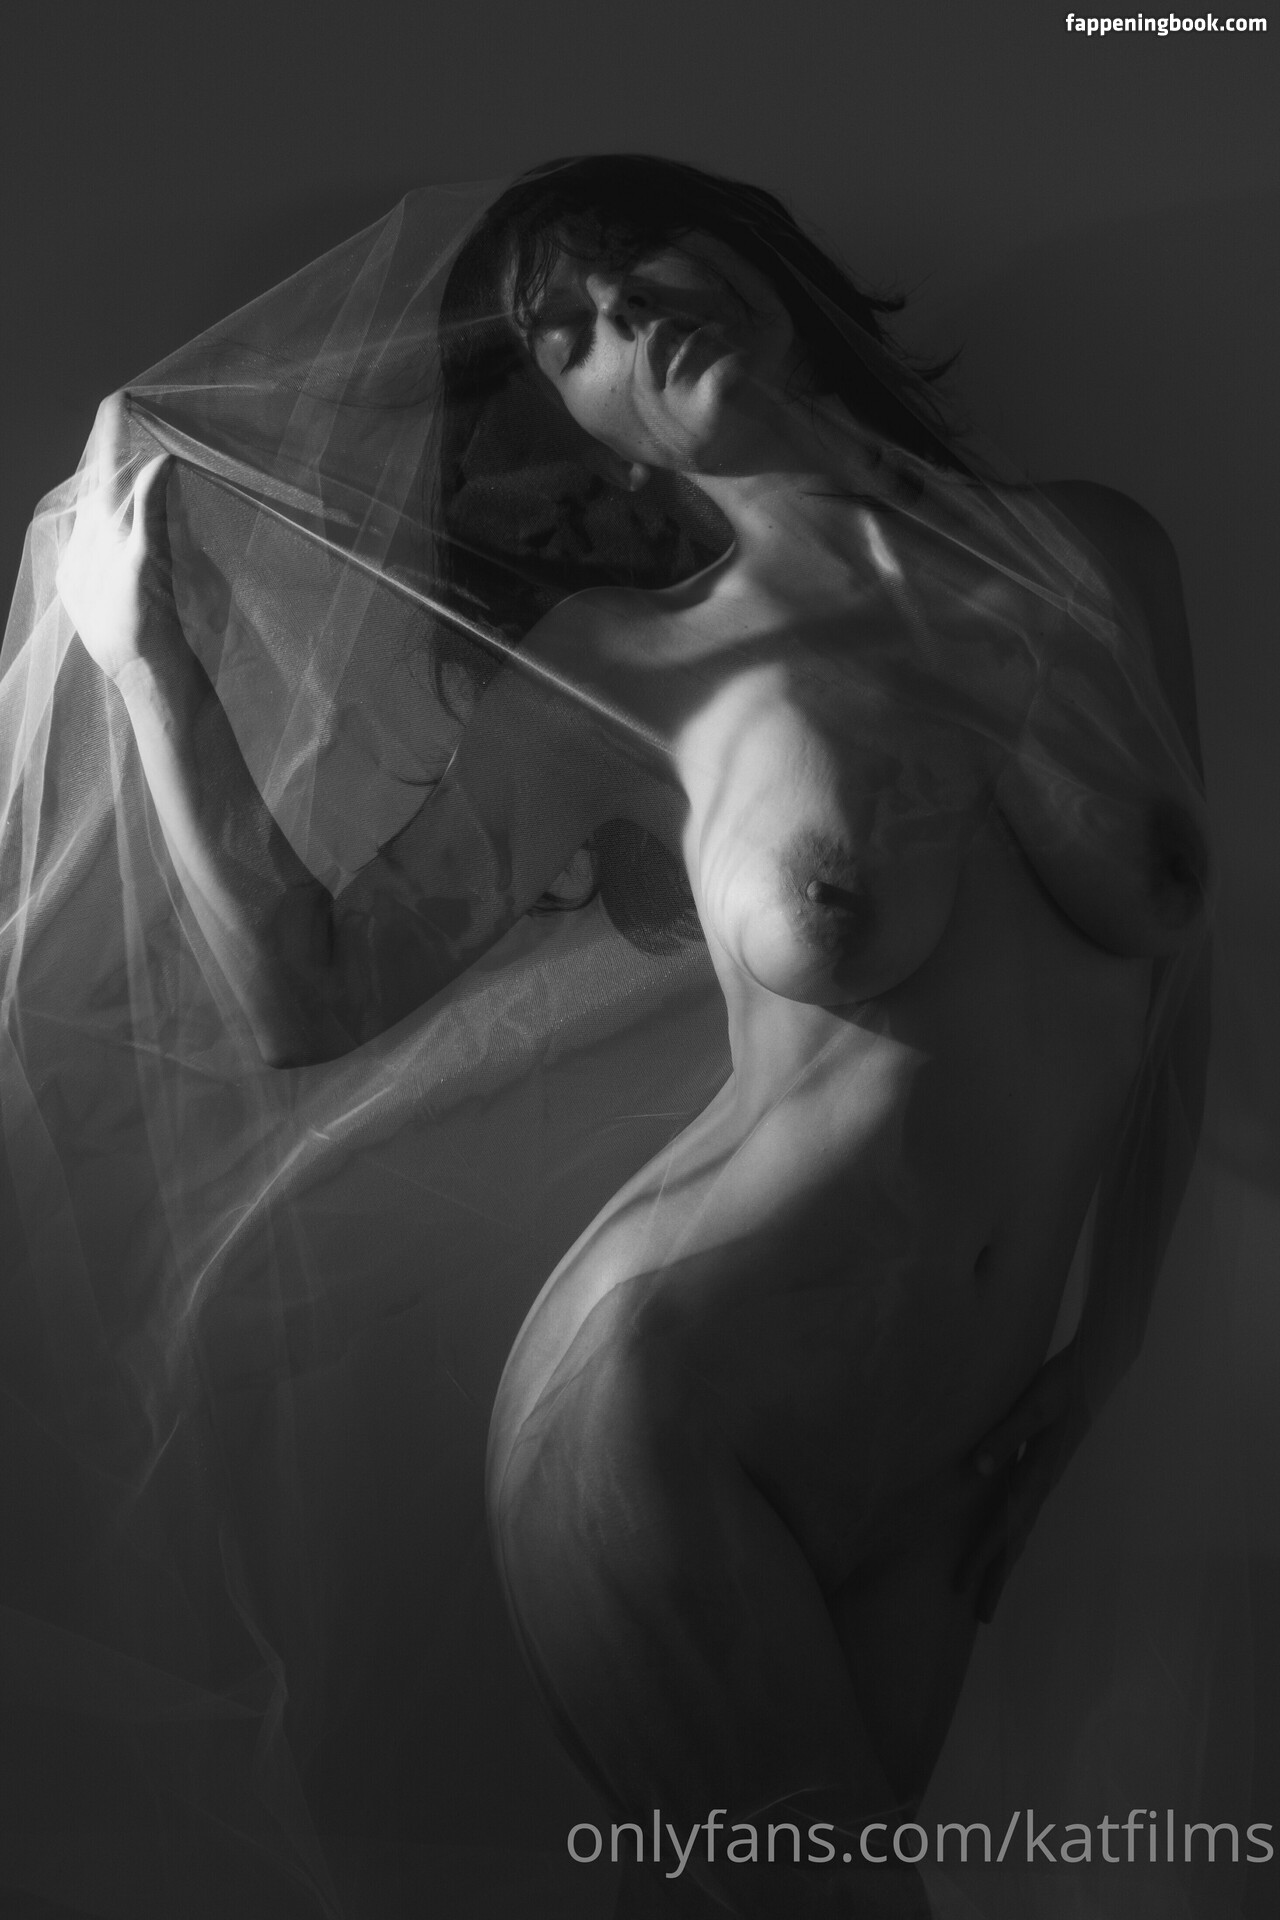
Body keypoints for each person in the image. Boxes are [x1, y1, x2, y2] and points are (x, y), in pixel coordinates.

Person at [28, 157, 1211, 1917]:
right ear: (576, 430)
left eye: (637, 262)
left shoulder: (1100, 554)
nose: (628, 315)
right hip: (668, 1414)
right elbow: (306, 990)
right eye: (566, 332)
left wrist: (1111, 1341)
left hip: (948, 1459)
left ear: (758, 252)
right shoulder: (629, 665)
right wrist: (149, 664)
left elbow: (1182, 979)